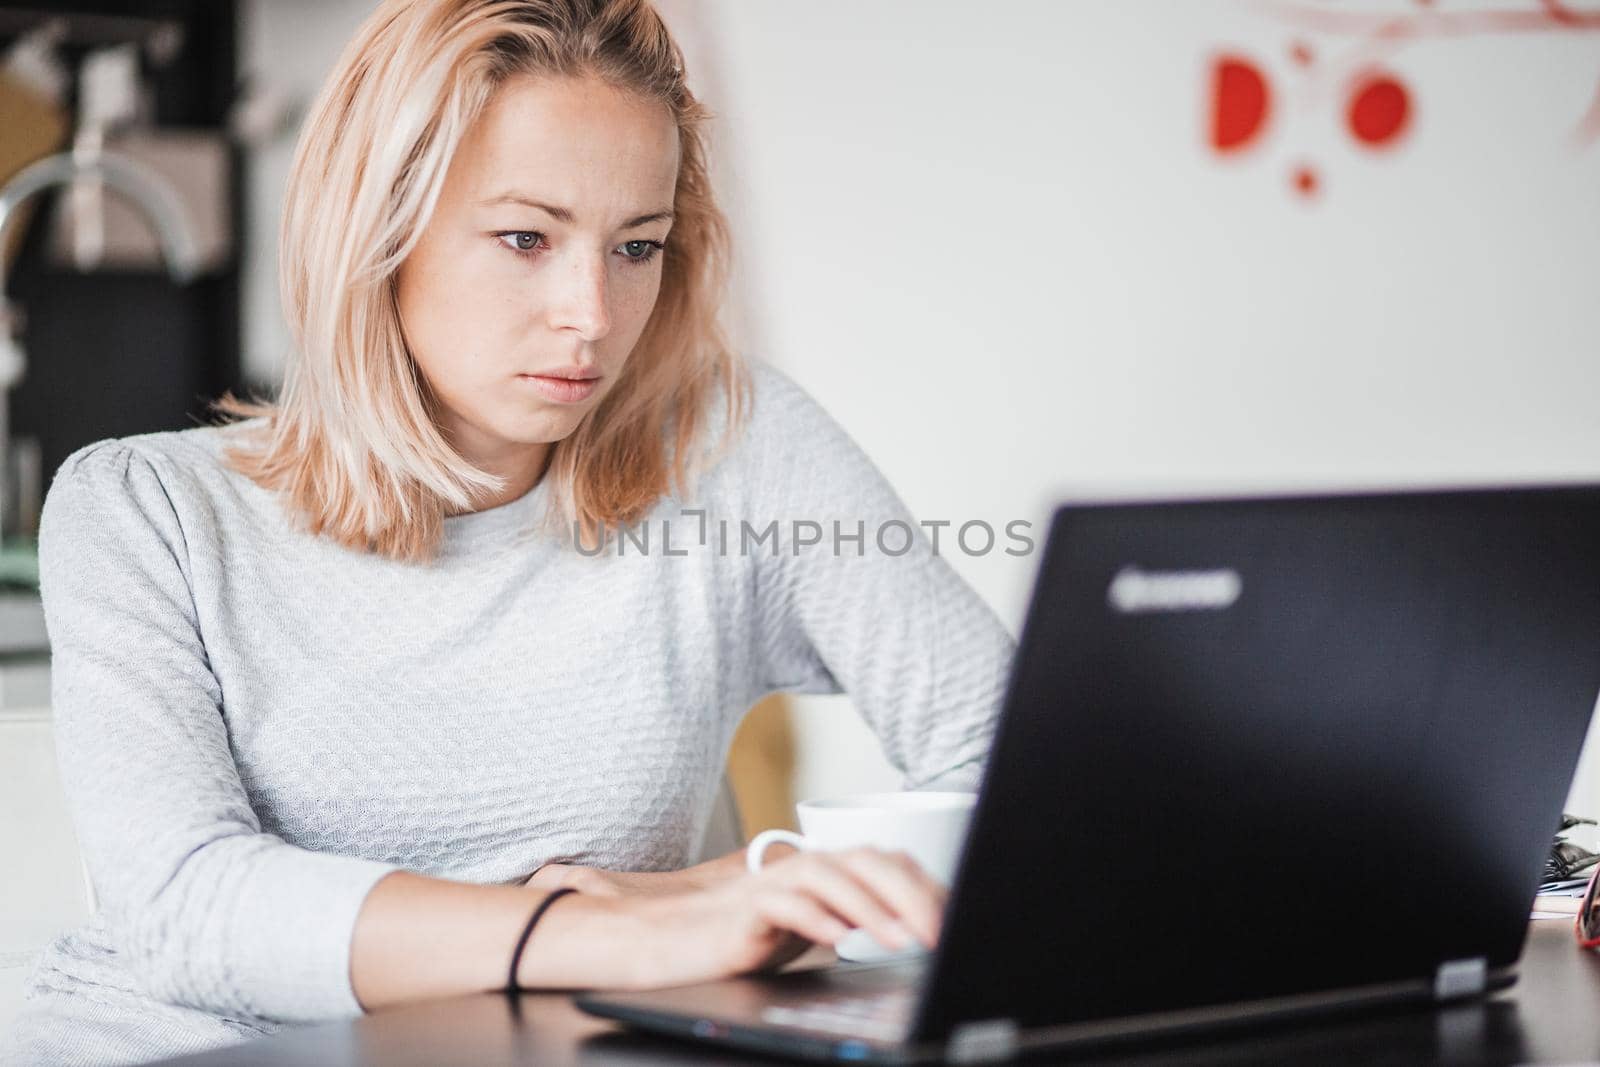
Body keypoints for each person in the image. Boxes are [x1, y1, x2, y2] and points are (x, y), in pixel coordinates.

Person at [2, 1, 1015, 1064]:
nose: (590, 312)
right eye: (526, 237)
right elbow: (185, 905)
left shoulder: (734, 446)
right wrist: (599, 935)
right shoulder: (140, 507)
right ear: (377, 226)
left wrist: (732, 883)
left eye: (637, 246)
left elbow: (1014, 766)